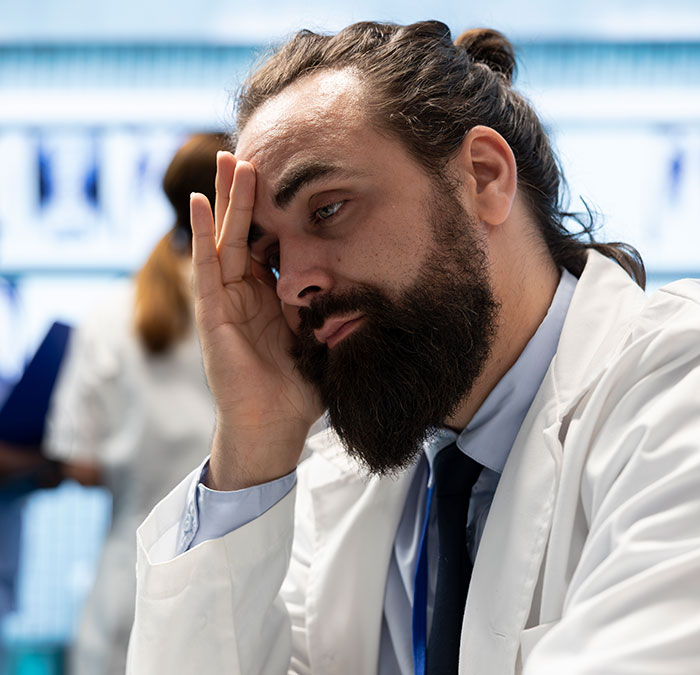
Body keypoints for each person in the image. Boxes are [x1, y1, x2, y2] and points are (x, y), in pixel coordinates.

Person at [127, 22, 700, 675]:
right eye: (272, 251)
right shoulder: (345, 478)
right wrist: (255, 440)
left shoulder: (679, 389)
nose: (296, 285)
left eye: (327, 209)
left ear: (483, 176)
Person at [45, 133, 224, 675]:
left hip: (130, 588)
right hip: (239, 588)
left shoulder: (110, 314)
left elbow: (81, 464)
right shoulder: (277, 312)